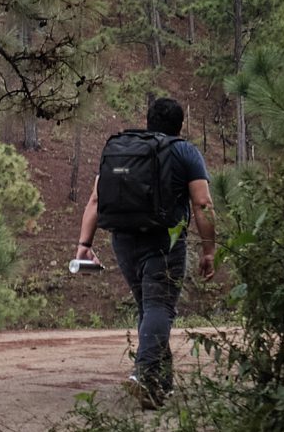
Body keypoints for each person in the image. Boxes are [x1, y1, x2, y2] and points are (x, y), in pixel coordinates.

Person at [75, 96, 215, 409]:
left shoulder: (125, 147)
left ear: (148, 121)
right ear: (180, 126)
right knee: (159, 307)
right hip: (163, 240)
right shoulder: (184, 151)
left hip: (123, 240)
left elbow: (95, 201)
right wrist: (209, 250)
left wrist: (84, 245)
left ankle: (158, 388)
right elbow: (203, 204)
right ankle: (143, 372)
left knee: (150, 309)